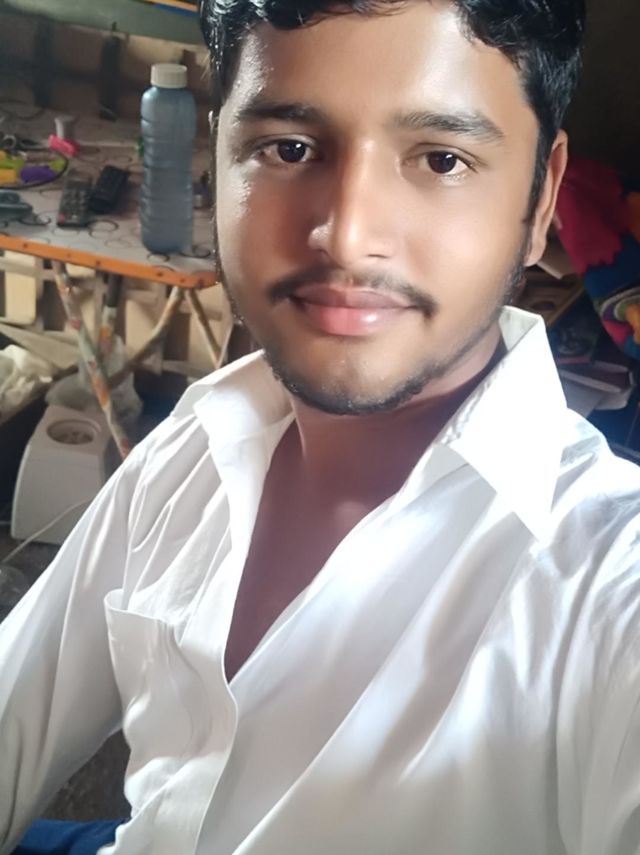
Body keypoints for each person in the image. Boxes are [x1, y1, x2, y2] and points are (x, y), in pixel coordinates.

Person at [4, 0, 640, 852]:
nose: (346, 236)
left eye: (442, 159)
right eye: (289, 149)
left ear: (541, 198)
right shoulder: (201, 436)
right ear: (218, 155)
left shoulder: (607, 582)